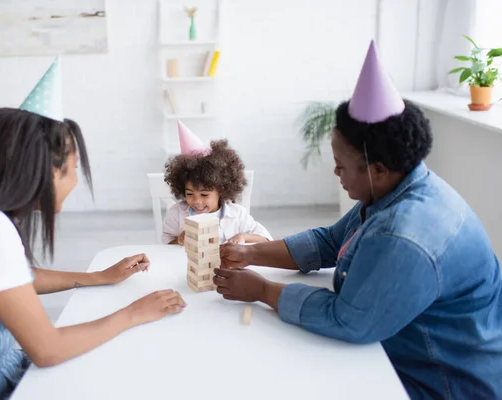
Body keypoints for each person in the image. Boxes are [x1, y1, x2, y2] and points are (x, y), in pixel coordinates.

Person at [214, 41, 502, 399]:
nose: (335, 171)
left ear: (377, 169)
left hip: (440, 378)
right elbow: (332, 242)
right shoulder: (394, 189)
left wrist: (262, 290)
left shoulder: (406, 234)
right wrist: (251, 255)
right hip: (400, 348)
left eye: (341, 165)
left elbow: (349, 321)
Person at [0, 57, 185, 399]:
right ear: (48, 172)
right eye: (73, 168)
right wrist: (132, 313)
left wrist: (98, 277)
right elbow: (47, 349)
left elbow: (13, 279)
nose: (76, 181)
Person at [162, 121, 272, 245]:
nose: (197, 201)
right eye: (190, 194)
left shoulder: (237, 214)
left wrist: (243, 237)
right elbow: (166, 242)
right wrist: (179, 240)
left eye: (204, 195)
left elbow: (266, 239)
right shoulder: (177, 213)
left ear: (221, 190)